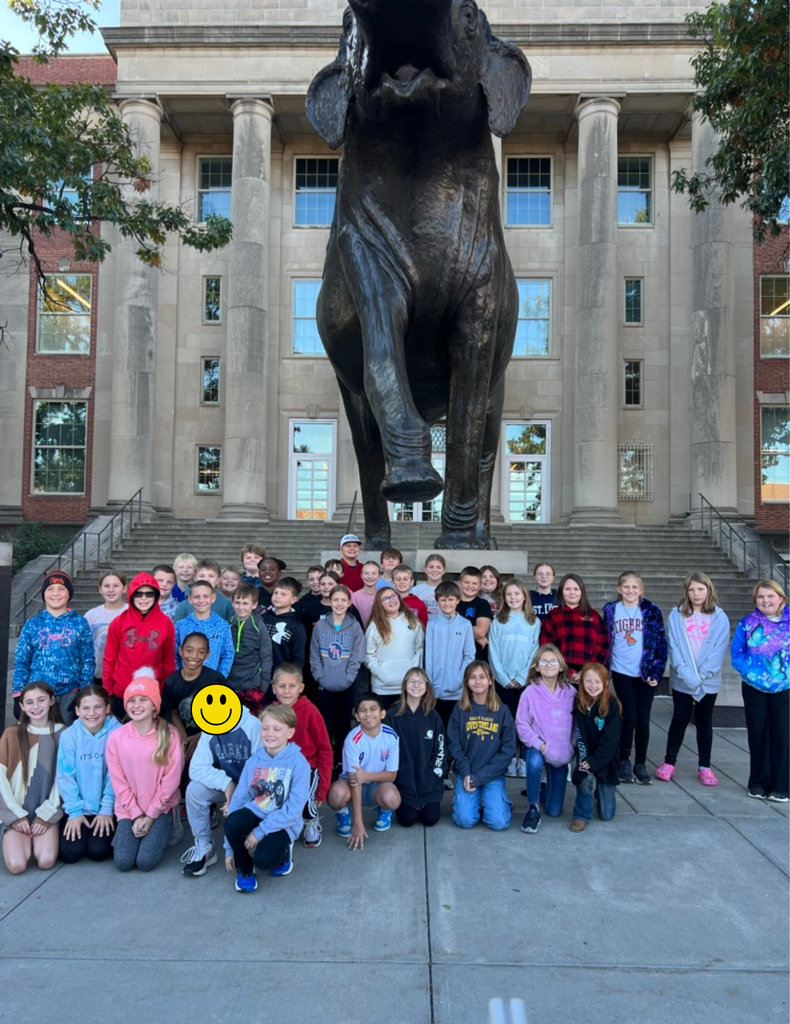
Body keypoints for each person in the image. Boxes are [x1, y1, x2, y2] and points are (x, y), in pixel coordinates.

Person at [223, 704, 311, 892]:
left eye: (277, 729)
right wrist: (230, 849)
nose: (269, 733)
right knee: (233, 822)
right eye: (265, 727)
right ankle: (245, 869)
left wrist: (260, 832)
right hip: (258, 812)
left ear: (290, 732)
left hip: (285, 822)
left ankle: (283, 853)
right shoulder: (254, 761)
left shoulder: (299, 763)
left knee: (264, 861)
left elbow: (294, 810)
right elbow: (238, 802)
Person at [656, 573, 731, 786]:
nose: (696, 594)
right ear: (686, 592)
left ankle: (705, 766)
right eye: (692, 590)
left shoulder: (719, 617)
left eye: (700, 589)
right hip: (682, 679)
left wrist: (702, 677)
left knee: (704, 722)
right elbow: (675, 648)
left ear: (708, 590)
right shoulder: (677, 615)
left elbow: (718, 651)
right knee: (679, 719)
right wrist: (686, 675)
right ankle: (669, 762)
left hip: (708, 681)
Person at [105, 670, 184, 872]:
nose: (136, 706)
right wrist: (135, 814)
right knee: (123, 862)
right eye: (131, 700)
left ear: (154, 707)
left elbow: (170, 782)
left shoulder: (169, 736)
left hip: (160, 808)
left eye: (143, 700)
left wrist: (150, 816)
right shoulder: (116, 737)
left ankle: (171, 824)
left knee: (145, 862)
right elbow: (118, 781)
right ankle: (134, 834)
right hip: (129, 808)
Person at [181, 699, 262, 877]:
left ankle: (246, 843)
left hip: (252, 788)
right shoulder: (210, 724)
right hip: (227, 784)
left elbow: (261, 771)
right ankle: (205, 846)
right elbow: (196, 768)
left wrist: (238, 796)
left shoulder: (253, 726)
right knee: (194, 790)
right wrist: (226, 784)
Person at [603, 571, 667, 785]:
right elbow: (605, 641)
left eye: (634, 587)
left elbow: (660, 644)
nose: (630, 591)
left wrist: (657, 672)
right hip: (622, 671)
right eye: (626, 587)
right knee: (628, 717)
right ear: (618, 589)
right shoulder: (611, 611)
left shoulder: (651, 611)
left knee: (642, 719)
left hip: (646, 673)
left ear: (641, 590)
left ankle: (640, 763)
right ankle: (624, 760)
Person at [730, 579, 789, 802]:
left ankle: (782, 786)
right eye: (761, 596)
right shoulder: (748, 623)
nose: (766, 600)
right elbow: (737, 652)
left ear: (780, 598)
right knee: (757, 735)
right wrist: (750, 673)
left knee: (782, 736)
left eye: (770, 596)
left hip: (784, 688)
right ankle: (758, 782)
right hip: (754, 687)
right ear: (755, 599)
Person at [13, 569, 94, 725]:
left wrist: (83, 695)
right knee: (39, 738)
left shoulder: (80, 623)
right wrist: (18, 695)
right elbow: (21, 660)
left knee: (65, 737)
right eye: (50, 589)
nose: (55, 593)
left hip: (69, 693)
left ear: (69, 594)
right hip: (38, 694)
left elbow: (87, 661)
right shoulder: (33, 624)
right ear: (44, 594)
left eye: (61, 589)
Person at [0, 682, 63, 874]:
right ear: (22, 706)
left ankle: (37, 834)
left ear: (52, 700)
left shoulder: (63, 734)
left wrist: (46, 816)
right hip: (16, 811)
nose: (35, 707)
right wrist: (15, 816)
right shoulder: (12, 734)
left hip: (46, 812)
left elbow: (65, 780)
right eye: (29, 702)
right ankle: (19, 836)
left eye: (41, 700)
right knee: (17, 865)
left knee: (46, 860)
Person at [447, 661, 516, 831]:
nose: (477, 682)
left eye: (482, 677)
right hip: (467, 773)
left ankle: (495, 800)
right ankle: (475, 800)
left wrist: (481, 778)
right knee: (465, 820)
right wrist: (466, 773)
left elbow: (507, 751)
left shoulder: (502, 710)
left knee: (498, 823)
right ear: (466, 682)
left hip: (492, 775)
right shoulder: (460, 709)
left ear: (490, 680)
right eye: (473, 677)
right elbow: (453, 744)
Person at [327, 692, 401, 850]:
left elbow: (392, 775)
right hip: (352, 784)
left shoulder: (391, 736)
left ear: (382, 714)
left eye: (373, 709)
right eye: (363, 710)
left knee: (393, 799)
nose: (368, 714)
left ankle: (384, 810)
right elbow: (355, 781)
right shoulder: (352, 740)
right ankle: (343, 814)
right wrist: (358, 823)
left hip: (376, 785)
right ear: (357, 716)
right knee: (335, 796)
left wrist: (367, 776)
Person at [56, 684, 121, 864]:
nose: (91, 713)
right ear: (77, 711)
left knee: (97, 852)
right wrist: (75, 812)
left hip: (107, 807)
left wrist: (107, 809)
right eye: (85, 708)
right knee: (70, 853)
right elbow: (65, 776)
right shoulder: (69, 736)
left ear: (107, 708)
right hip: (79, 807)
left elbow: (116, 776)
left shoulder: (118, 733)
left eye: (98, 707)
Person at [271, 665, 333, 849]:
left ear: (301, 687)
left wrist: (323, 787)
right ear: (274, 688)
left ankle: (311, 821)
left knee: (305, 800)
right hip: (280, 768)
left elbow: (325, 750)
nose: (287, 691)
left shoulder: (310, 711)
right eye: (282, 686)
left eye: (292, 686)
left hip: (308, 768)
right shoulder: (271, 713)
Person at [515, 645, 575, 834]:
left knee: (555, 811)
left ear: (561, 666)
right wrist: (540, 745)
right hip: (539, 747)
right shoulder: (529, 693)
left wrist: (572, 746)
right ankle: (533, 807)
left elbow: (577, 725)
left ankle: (542, 788)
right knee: (533, 762)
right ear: (537, 667)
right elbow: (522, 724)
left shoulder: (571, 692)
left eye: (553, 661)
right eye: (544, 661)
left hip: (563, 751)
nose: (549, 665)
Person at [103, 572, 176, 720]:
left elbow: (168, 660)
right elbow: (109, 658)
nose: (144, 598)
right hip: (121, 692)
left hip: (152, 692)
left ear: (156, 596)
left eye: (149, 594)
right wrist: (108, 692)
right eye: (139, 594)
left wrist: (165, 691)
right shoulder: (119, 622)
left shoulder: (166, 623)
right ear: (131, 595)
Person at [310, 584, 366, 765]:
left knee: (343, 723)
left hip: (346, 683)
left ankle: (343, 760)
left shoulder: (354, 626)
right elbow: (314, 653)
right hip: (325, 682)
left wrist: (349, 677)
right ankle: (327, 759)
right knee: (326, 722)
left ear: (349, 602)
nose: (339, 604)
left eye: (343, 600)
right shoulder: (321, 625)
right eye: (336, 600)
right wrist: (319, 675)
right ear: (330, 602)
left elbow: (357, 655)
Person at [488, 579, 541, 766]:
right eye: (509, 594)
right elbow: (493, 651)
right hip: (503, 681)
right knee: (506, 720)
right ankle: (509, 757)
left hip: (524, 680)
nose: (513, 597)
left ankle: (524, 758)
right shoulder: (498, 621)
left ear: (525, 597)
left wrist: (522, 677)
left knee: (525, 719)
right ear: (504, 598)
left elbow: (535, 651)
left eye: (517, 593)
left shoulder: (533, 622)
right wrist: (503, 678)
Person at [387, 669, 446, 828]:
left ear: (426, 688)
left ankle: (426, 802)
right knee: (406, 820)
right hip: (404, 783)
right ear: (405, 686)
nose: (416, 685)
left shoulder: (433, 717)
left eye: (420, 682)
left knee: (430, 819)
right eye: (412, 681)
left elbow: (440, 751)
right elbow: (385, 750)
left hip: (428, 783)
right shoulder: (392, 716)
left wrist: (433, 775)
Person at [569, 663, 621, 833]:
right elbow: (580, 737)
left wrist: (596, 761)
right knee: (583, 776)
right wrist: (585, 761)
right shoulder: (579, 704)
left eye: (597, 681)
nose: (593, 685)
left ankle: (601, 791)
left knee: (607, 815)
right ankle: (582, 814)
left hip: (606, 758)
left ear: (605, 682)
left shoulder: (612, 704)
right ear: (582, 682)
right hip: (587, 754)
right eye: (588, 681)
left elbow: (610, 740)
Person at [162, 633, 226, 762]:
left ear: (208, 654)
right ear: (180, 651)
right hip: (182, 735)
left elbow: (223, 715)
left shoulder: (215, 679)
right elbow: (173, 712)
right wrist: (184, 740)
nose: (194, 656)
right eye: (189, 650)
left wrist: (201, 736)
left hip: (210, 736)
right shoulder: (171, 681)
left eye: (200, 652)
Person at [424, 581, 475, 726]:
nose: (447, 603)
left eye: (451, 599)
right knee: (437, 726)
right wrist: (430, 684)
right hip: (436, 689)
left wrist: (459, 679)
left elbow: (469, 656)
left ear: (458, 600)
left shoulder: (465, 624)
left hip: (457, 689)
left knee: (454, 727)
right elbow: (428, 656)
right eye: (443, 600)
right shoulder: (432, 624)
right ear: (437, 602)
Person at [539, 573, 609, 677]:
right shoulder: (553, 615)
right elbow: (547, 645)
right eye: (567, 589)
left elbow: (603, 644)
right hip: (560, 672)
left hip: (589, 673)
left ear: (582, 592)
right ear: (561, 592)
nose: (572, 592)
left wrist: (589, 669)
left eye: (576, 589)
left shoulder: (593, 616)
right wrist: (567, 671)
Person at [365, 587, 424, 709]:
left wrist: (412, 671)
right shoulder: (375, 626)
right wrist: (382, 673)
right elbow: (368, 655)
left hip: (407, 685)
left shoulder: (412, 621)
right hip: (382, 687)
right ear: (379, 604)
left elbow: (420, 648)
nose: (391, 600)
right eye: (386, 599)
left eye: (393, 596)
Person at [226, 584, 274, 715]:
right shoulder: (227, 624)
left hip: (252, 686)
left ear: (254, 605)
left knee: (251, 723)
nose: (240, 607)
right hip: (230, 684)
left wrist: (263, 686)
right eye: (237, 602)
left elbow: (266, 656)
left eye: (245, 603)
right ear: (232, 603)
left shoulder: (259, 626)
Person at [173, 580, 235, 677]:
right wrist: (179, 676)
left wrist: (219, 678)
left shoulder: (222, 626)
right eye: (196, 597)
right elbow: (174, 654)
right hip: (186, 680)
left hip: (211, 682)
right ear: (190, 599)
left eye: (206, 596)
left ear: (213, 598)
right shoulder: (181, 625)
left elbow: (227, 655)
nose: (201, 601)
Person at [84, 571, 128, 678]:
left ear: (124, 588)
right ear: (100, 590)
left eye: (116, 586)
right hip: (98, 676)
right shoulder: (91, 616)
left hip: (125, 676)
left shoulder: (132, 612)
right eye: (106, 586)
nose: (111, 590)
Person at [261, 577, 307, 674]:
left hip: (283, 676)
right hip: (260, 675)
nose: (278, 596)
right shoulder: (262, 618)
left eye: (283, 594)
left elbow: (298, 658)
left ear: (293, 600)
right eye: (276, 593)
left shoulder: (296, 626)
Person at [457, 567, 493, 660]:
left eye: (474, 583)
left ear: (480, 586)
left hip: (476, 656)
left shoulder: (482, 604)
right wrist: (474, 635)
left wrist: (454, 628)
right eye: (466, 582)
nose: (470, 586)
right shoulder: (452, 602)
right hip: (455, 654)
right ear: (460, 582)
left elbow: (481, 632)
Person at [392, 564, 429, 629]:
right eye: (398, 579)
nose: (402, 582)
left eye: (405, 579)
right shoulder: (388, 602)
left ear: (412, 582)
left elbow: (424, 627)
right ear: (393, 582)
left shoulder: (419, 604)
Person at [411, 553, 446, 621]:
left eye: (438, 567)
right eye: (431, 567)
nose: (435, 570)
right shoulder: (415, 590)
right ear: (425, 569)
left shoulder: (450, 589)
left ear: (444, 570)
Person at [351, 561, 382, 628]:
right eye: (366, 573)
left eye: (374, 573)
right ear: (361, 576)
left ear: (379, 576)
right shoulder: (354, 597)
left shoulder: (383, 595)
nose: (370, 576)